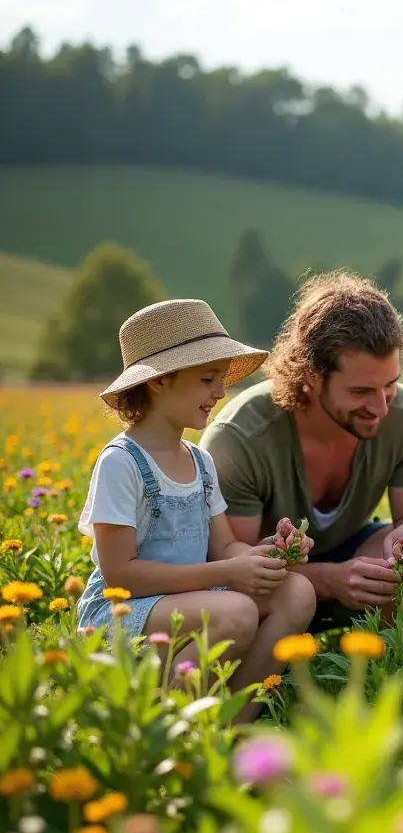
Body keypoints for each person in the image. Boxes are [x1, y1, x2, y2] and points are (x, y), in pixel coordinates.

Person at [77, 298, 316, 722]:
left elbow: (224, 547)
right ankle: (165, 733)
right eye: (208, 379)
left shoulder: (199, 461)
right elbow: (121, 575)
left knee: (297, 592)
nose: (220, 393)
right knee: (236, 612)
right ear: (158, 382)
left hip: (185, 603)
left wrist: (265, 555)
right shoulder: (121, 462)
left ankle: (230, 728)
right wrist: (227, 574)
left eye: (221, 380)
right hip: (121, 615)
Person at [200, 271, 403, 635]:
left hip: (349, 562)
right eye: (360, 391)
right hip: (265, 591)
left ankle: (380, 667)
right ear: (311, 375)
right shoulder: (240, 438)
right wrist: (329, 580)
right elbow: (230, 565)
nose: (380, 407)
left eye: (390, 384)